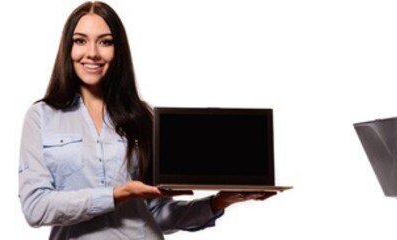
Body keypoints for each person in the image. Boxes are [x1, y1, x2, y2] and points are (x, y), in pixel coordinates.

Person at [17, 2, 275, 239]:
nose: (92, 53)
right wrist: (118, 194)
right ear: (68, 47)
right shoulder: (42, 117)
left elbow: (156, 213)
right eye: (80, 41)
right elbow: (36, 208)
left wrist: (218, 202)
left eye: (105, 42)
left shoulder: (143, 116)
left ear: (118, 50)